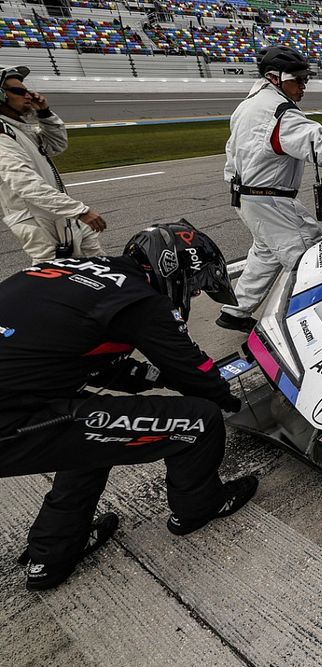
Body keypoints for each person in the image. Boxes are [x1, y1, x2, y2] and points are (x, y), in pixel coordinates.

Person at [0, 221, 258, 591]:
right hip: (12, 420)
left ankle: (52, 553)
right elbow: (192, 370)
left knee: (92, 437)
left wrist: (156, 376)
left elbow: (98, 362)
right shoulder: (139, 298)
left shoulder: (77, 274)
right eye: (197, 287)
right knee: (199, 421)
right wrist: (225, 396)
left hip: (21, 402)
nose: (194, 295)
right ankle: (200, 506)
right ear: (175, 269)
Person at [217, 45, 322, 333]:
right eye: (298, 80)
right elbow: (317, 144)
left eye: (305, 79)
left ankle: (235, 312)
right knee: (307, 257)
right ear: (274, 78)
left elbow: (232, 151)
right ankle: (302, 324)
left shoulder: (248, 105)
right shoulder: (280, 113)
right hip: (267, 197)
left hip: (251, 195)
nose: (303, 86)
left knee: (266, 253)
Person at [0, 65, 107, 264]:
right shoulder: (2, 135)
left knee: (98, 264)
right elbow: (25, 184)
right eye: (20, 91)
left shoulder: (18, 128)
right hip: (37, 222)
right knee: (58, 279)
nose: (29, 95)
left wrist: (45, 114)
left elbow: (56, 145)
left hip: (59, 213)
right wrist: (79, 211)